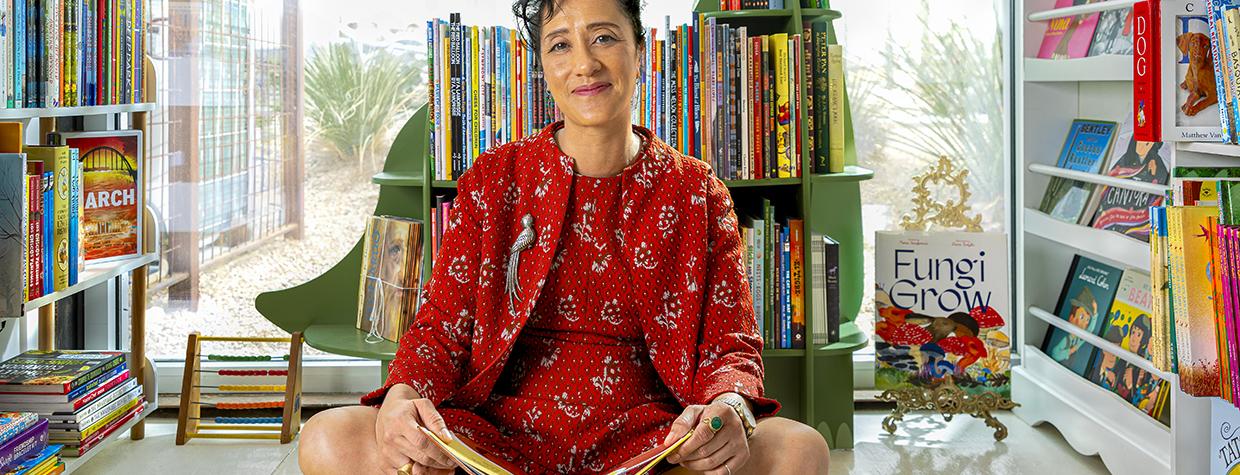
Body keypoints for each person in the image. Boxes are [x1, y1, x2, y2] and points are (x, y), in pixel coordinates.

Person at [296, 0, 831, 473]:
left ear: (640, 51)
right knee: (328, 438)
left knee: (798, 451)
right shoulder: (494, 179)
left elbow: (729, 345)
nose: (585, 63)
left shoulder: (697, 192)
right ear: (543, 67)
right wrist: (404, 399)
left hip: (651, 443)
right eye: (560, 45)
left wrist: (730, 408)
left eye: (604, 36)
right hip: (494, 437)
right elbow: (441, 328)